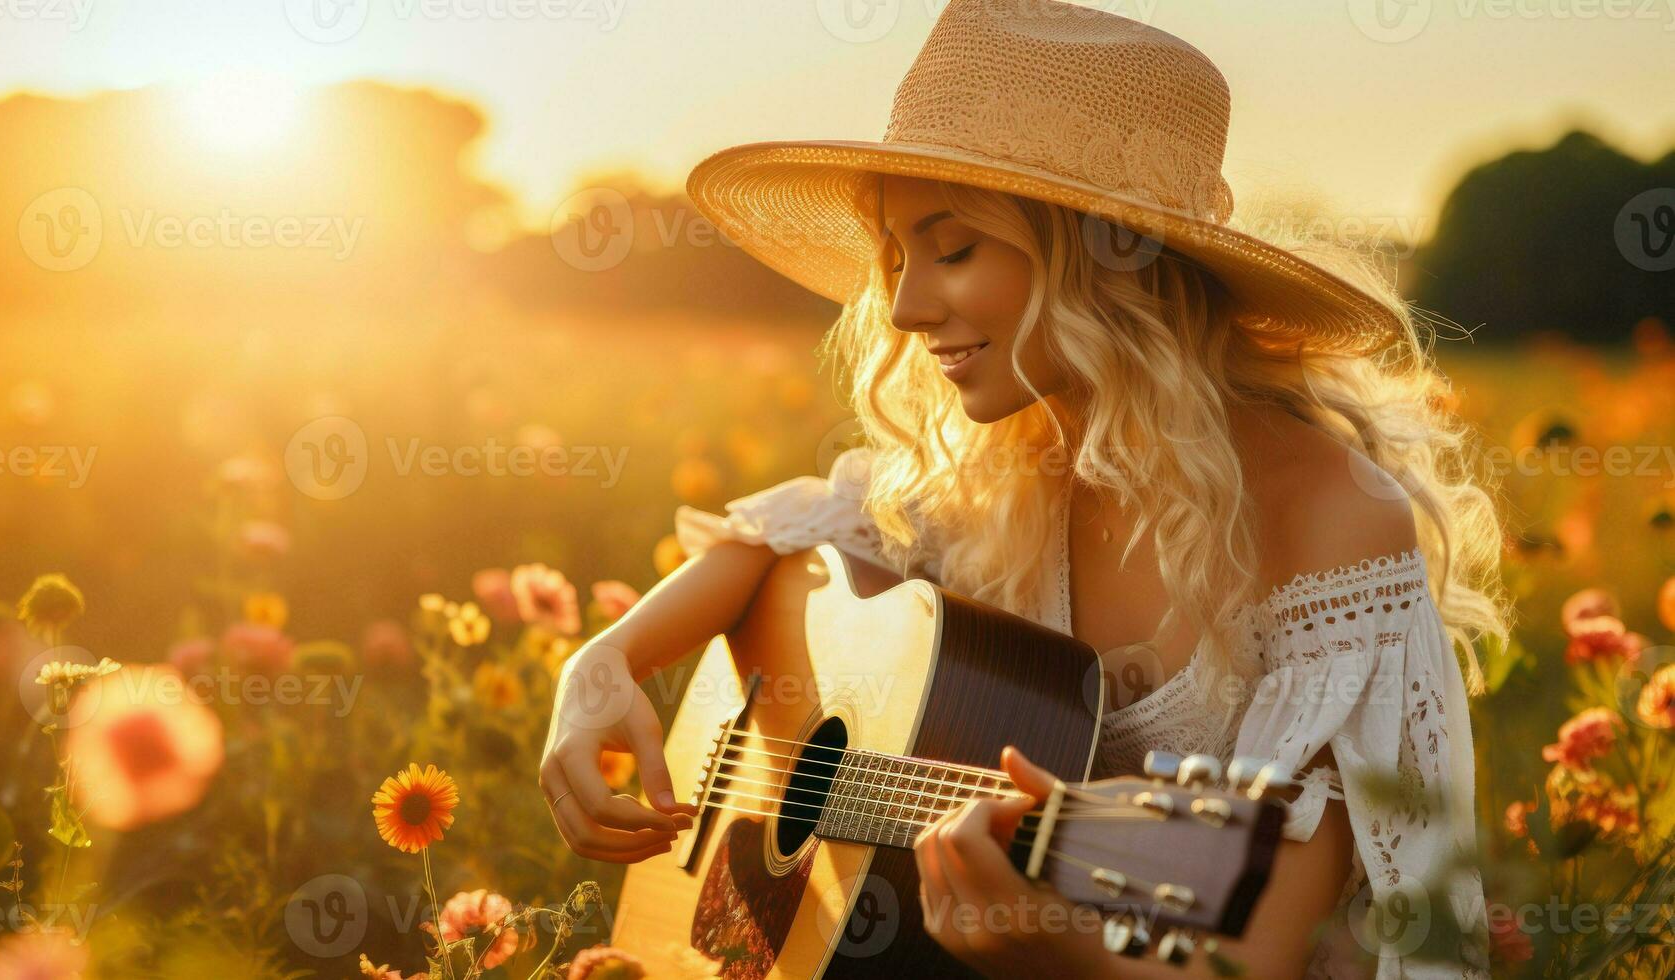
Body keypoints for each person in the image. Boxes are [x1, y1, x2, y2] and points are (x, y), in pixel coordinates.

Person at [540, 1, 1509, 975]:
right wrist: (609, 661)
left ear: (1103, 253)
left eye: (952, 247)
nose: (909, 306)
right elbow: (783, 545)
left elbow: (1253, 952)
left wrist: (1054, 949)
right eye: (895, 255)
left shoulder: (1331, 518)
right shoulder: (1003, 463)